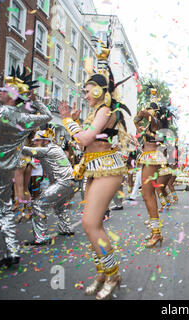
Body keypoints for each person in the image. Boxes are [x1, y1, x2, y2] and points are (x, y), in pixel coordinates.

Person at [59, 38, 132, 300]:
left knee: (90, 222)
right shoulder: (95, 113)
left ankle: (112, 275)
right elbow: (85, 140)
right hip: (93, 168)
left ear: (101, 91)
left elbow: (85, 139)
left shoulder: (104, 110)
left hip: (107, 168)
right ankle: (102, 272)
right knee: (93, 224)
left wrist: (68, 121)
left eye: (89, 90)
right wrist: (76, 122)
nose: (86, 94)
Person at [0, 67, 52, 267]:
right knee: (4, 210)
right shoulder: (24, 118)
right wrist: (35, 101)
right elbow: (48, 116)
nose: (0, 92)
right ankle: (12, 252)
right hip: (5, 172)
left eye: (4, 90)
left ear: (12, 95)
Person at [21, 129, 76, 245]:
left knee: (38, 204)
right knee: (59, 206)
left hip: (63, 183)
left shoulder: (49, 150)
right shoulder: (54, 148)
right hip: (69, 183)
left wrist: (12, 143)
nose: (34, 142)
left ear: (45, 141)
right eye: (34, 140)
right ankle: (67, 229)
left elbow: (27, 150)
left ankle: (41, 237)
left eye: (37, 140)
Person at [134, 84, 173, 248]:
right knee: (147, 194)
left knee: (148, 194)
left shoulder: (156, 123)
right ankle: (155, 231)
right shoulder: (150, 126)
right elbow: (137, 121)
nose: (148, 112)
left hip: (153, 158)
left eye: (152, 110)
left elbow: (147, 117)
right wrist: (138, 121)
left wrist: (146, 111)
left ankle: (156, 233)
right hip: (147, 157)